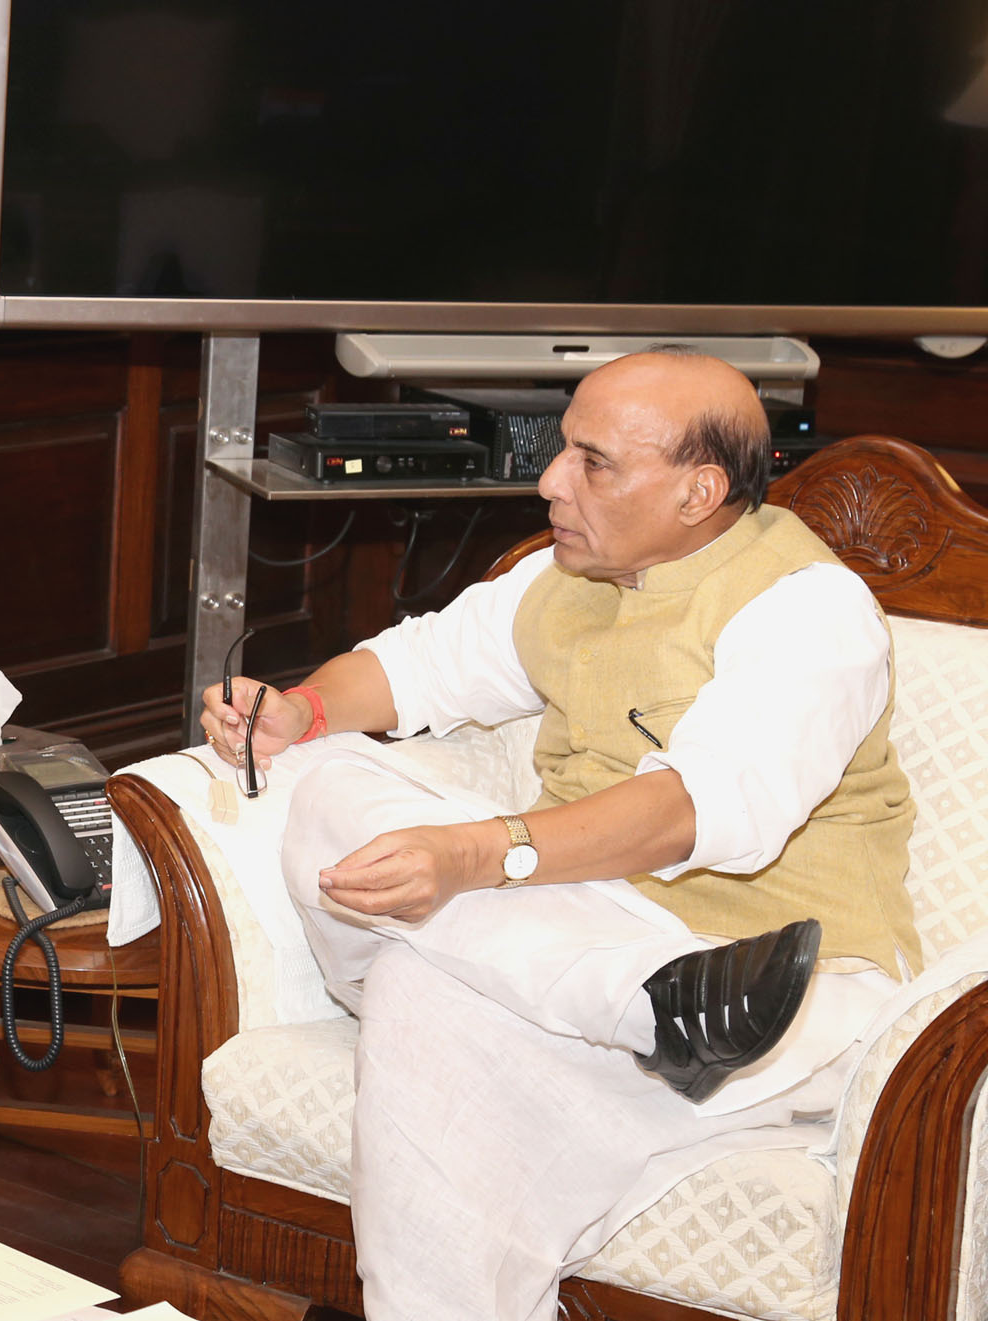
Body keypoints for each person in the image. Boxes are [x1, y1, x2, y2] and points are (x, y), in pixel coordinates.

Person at [197, 349, 916, 1321]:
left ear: (700, 490)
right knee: (317, 781)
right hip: (591, 964)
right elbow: (412, 670)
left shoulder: (808, 611)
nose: (548, 482)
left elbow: (701, 811)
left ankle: (651, 1009)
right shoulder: (562, 576)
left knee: (418, 986)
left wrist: (477, 854)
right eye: (558, 450)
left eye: (593, 462)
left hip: (772, 987)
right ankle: (642, 1006)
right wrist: (300, 713)